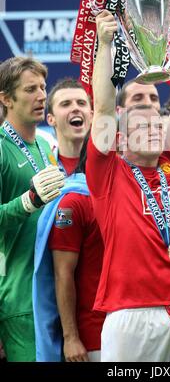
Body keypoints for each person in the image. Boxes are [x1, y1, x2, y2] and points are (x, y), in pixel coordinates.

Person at [86, 7, 170, 362]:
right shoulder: (108, 174)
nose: (154, 126)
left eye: (158, 120)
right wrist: (104, 44)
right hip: (130, 315)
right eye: (141, 124)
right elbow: (102, 111)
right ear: (121, 139)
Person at [0, 57, 65, 362]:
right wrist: (29, 201)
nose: (42, 96)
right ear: (5, 98)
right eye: (30, 89)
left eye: (42, 87)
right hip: (21, 300)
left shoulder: (45, 144)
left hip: (58, 293)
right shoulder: (0, 147)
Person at [33, 134, 105, 362]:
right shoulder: (74, 201)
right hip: (94, 337)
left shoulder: (129, 196)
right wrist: (71, 337)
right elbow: (62, 273)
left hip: (136, 328)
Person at [47, 78, 93, 176]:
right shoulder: (41, 165)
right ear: (51, 119)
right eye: (66, 104)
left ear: (91, 116)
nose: (75, 108)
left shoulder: (109, 166)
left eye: (81, 103)